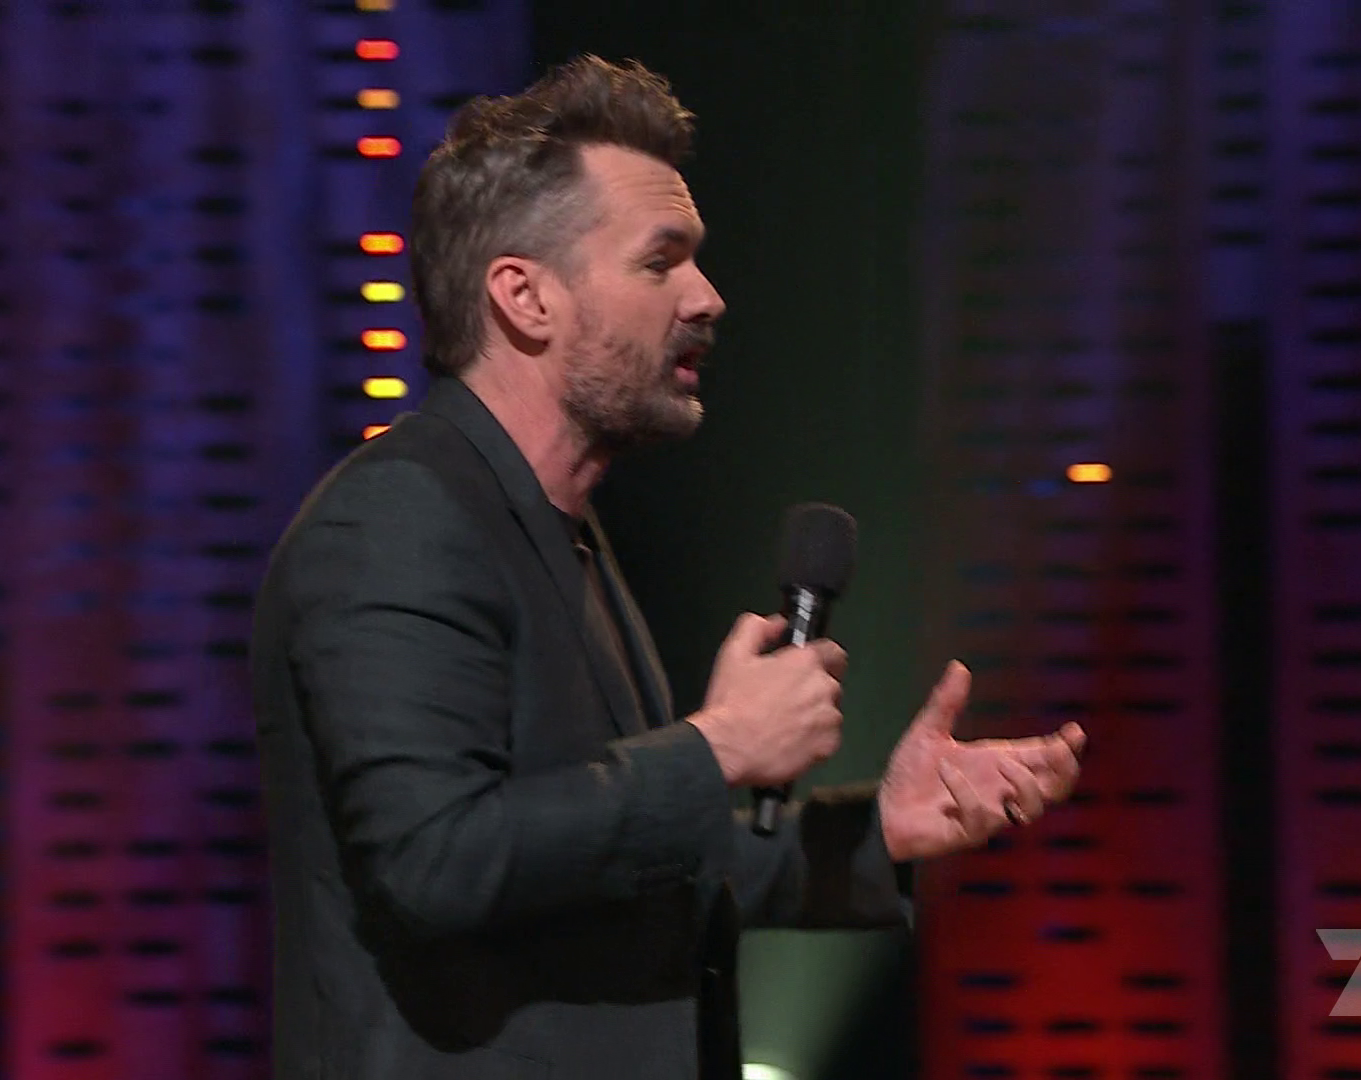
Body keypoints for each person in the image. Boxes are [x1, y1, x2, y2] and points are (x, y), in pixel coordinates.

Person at [251, 55, 1087, 1080]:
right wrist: (717, 745)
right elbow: (437, 860)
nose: (707, 296)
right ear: (525, 296)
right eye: (661, 262)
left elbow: (619, 866)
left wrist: (880, 829)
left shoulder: (563, 529)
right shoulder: (399, 520)